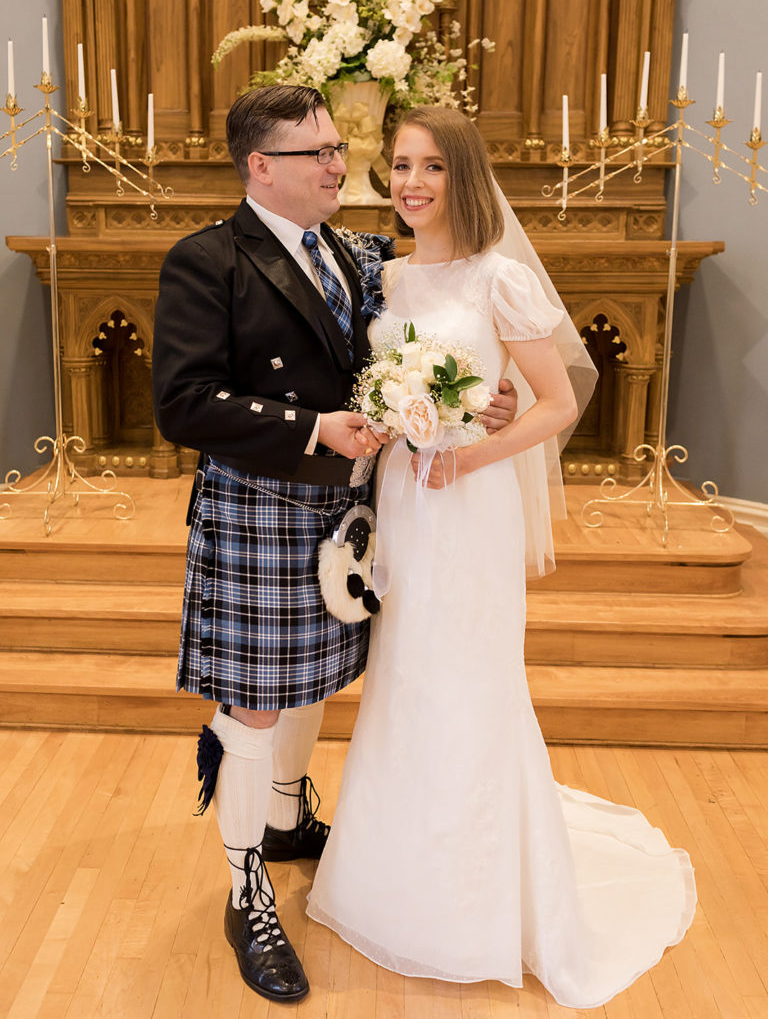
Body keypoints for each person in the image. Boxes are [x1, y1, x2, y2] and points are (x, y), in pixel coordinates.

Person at [306, 107, 697, 1009]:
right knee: (404, 676)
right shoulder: (385, 278)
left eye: (433, 167)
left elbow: (557, 402)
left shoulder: (502, 279)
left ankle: (478, 900)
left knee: (467, 679)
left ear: (465, 176)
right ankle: (391, 879)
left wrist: (471, 450)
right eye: (401, 165)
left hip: (467, 505)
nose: (412, 184)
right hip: (401, 499)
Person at [151, 86, 517, 1004]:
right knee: (255, 708)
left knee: (312, 682)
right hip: (258, 517)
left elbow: (431, 335)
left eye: (335, 146)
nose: (335, 164)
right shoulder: (206, 261)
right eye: (314, 151)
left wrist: (484, 399)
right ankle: (246, 890)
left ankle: (281, 818)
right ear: (258, 167)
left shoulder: (356, 256)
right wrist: (313, 427)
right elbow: (182, 403)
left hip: (344, 518)